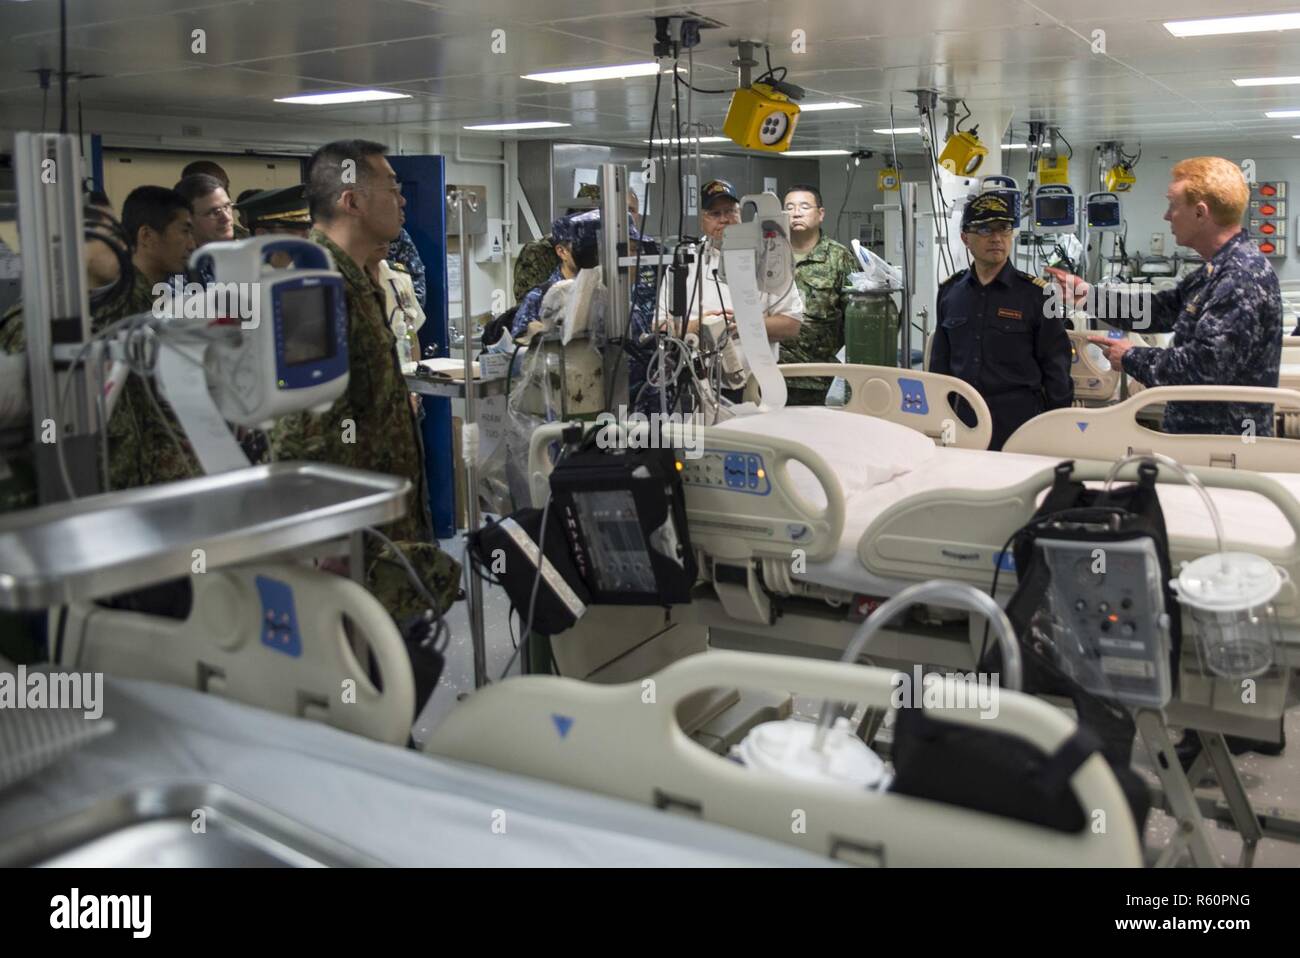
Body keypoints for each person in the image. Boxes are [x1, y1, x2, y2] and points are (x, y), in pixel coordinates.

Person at [272, 139, 460, 621]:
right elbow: (302, 438)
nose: (402, 200)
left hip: (382, 542)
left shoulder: (358, 278)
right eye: (391, 188)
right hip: (351, 554)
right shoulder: (311, 288)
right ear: (351, 201)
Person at [1049, 156, 1283, 438]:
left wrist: (1131, 356)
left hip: (1226, 443)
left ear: (1200, 213)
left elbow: (1202, 368)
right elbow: (1159, 310)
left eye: (1173, 204)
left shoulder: (1240, 277)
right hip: (1200, 438)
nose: (1166, 215)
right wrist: (1089, 297)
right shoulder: (1215, 270)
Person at [0, 185, 202, 492]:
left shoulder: (107, 318)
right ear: (64, 241)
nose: (123, 244)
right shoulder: (32, 331)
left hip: (132, 499)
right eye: (107, 232)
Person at [929, 189, 1073, 451]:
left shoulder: (1039, 295)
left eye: (1004, 229)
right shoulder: (950, 293)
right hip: (963, 422)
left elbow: (1057, 369)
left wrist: (1056, 427)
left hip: (1020, 424)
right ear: (965, 238)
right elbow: (940, 366)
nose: (996, 238)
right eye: (985, 230)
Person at [654, 178, 804, 401]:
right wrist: (700, 327)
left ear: (740, 214)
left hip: (756, 386)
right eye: (715, 213)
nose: (724, 219)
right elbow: (659, 326)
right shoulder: (685, 264)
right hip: (695, 385)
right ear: (702, 220)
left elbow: (792, 325)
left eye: (730, 211)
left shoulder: (768, 259)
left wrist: (741, 326)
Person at [781, 184, 858, 405]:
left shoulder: (838, 257)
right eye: (789, 207)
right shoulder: (769, 254)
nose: (796, 213)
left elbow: (853, 318)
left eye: (804, 206)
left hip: (818, 377)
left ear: (820, 213)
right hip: (771, 373)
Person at [511, 214, 582, 339]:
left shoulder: (599, 290)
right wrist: (530, 335)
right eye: (580, 246)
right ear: (562, 252)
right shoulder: (539, 296)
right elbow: (518, 348)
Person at [174, 173, 235, 249]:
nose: (227, 218)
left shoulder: (248, 254)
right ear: (188, 220)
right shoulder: (172, 260)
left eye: (227, 207)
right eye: (215, 212)